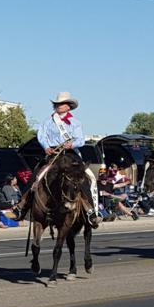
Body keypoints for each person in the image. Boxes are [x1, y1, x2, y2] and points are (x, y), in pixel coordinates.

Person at [16, 92, 101, 228]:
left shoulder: (75, 123)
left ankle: (91, 211)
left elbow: (80, 140)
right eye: (56, 104)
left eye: (61, 104)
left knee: (86, 178)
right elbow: (41, 136)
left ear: (68, 106)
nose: (58, 106)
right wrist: (46, 147)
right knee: (38, 174)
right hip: (53, 153)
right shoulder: (47, 122)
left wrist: (71, 144)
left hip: (70, 154)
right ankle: (21, 206)